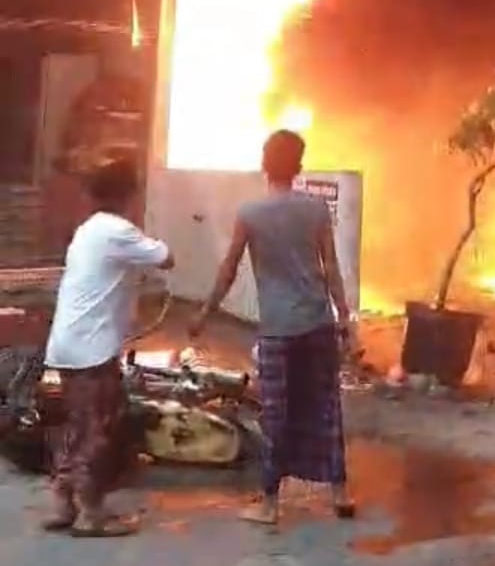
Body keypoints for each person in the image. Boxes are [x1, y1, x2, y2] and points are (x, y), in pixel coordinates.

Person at [188, 129, 354, 525]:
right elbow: (330, 267)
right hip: (317, 324)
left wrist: (205, 312)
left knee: (277, 414)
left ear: (265, 165)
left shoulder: (250, 214)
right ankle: (341, 494)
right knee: (326, 408)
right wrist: (344, 317)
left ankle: (269, 505)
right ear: (299, 166)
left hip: (279, 329)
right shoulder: (315, 210)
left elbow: (229, 270)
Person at [43, 156, 174, 538]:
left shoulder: (87, 230)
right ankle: (90, 514)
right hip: (91, 350)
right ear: (127, 194)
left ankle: (63, 502)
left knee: (77, 426)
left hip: (66, 344)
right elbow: (166, 258)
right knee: (101, 427)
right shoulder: (118, 230)